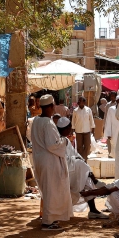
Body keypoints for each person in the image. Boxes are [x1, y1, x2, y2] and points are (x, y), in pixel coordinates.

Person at [31, 95, 73, 230]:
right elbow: (52, 145)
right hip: (49, 161)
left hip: (40, 159)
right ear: (50, 107)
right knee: (51, 191)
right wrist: (65, 141)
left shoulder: (36, 120)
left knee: (48, 191)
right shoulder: (48, 123)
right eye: (53, 105)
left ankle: (50, 218)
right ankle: (47, 221)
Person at [56, 117, 109, 219]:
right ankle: (94, 182)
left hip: (72, 170)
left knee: (86, 177)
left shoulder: (65, 140)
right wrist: (81, 163)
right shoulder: (59, 141)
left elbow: (75, 154)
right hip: (63, 171)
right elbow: (64, 159)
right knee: (84, 172)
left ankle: (93, 210)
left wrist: (82, 162)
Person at [71, 96, 95, 160]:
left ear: (84, 102)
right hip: (78, 131)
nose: (80, 102)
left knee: (87, 146)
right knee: (79, 147)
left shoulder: (88, 110)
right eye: (79, 101)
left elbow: (91, 119)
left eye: (81, 101)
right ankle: (81, 159)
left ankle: (85, 158)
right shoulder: (75, 111)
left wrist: (93, 129)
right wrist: (73, 129)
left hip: (87, 131)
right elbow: (73, 120)